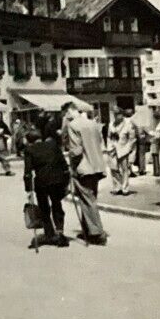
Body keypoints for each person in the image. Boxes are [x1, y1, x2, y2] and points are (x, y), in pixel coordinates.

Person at [61, 101, 108, 245]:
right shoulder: (92, 123)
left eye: (65, 115)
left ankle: (97, 232)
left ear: (69, 112)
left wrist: (70, 164)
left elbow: (76, 151)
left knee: (88, 200)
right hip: (96, 165)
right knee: (89, 198)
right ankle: (88, 230)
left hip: (83, 167)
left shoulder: (73, 125)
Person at [22, 114, 70, 248]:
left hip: (42, 183)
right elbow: (63, 164)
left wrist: (28, 190)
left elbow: (27, 172)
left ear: (29, 141)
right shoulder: (53, 145)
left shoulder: (29, 150)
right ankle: (60, 232)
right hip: (57, 180)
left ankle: (49, 233)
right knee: (57, 205)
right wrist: (66, 181)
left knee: (44, 208)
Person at [109, 109, 138, 195]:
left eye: (118, 114)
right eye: (115, 114)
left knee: (125, 169)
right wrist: (109, 146)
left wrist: (128, 149)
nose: (116, 116)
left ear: (122, 114)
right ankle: (117, 187)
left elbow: (132, 139)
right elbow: (109, 136)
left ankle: (125, 188)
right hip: (113, 148)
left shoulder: (128, 124)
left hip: (124, 149)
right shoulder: (111, 124)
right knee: (113, 169)